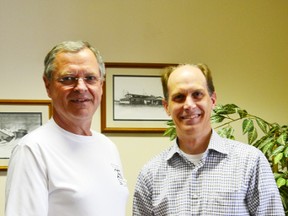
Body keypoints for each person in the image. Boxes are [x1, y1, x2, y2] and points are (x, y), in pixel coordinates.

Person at [133, 64, 284, 215]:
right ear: (167, 107)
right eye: (179, 97)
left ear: (212, 100)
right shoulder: (150, 175)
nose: (189, 105)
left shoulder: (250, 162)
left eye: (197, 94)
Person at [5, 40, 129, 216]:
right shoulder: (33, 150)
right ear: (48, 86)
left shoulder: (108, 147)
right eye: (68, 79)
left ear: (101, 85)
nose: (80, 87)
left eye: (90, 78)